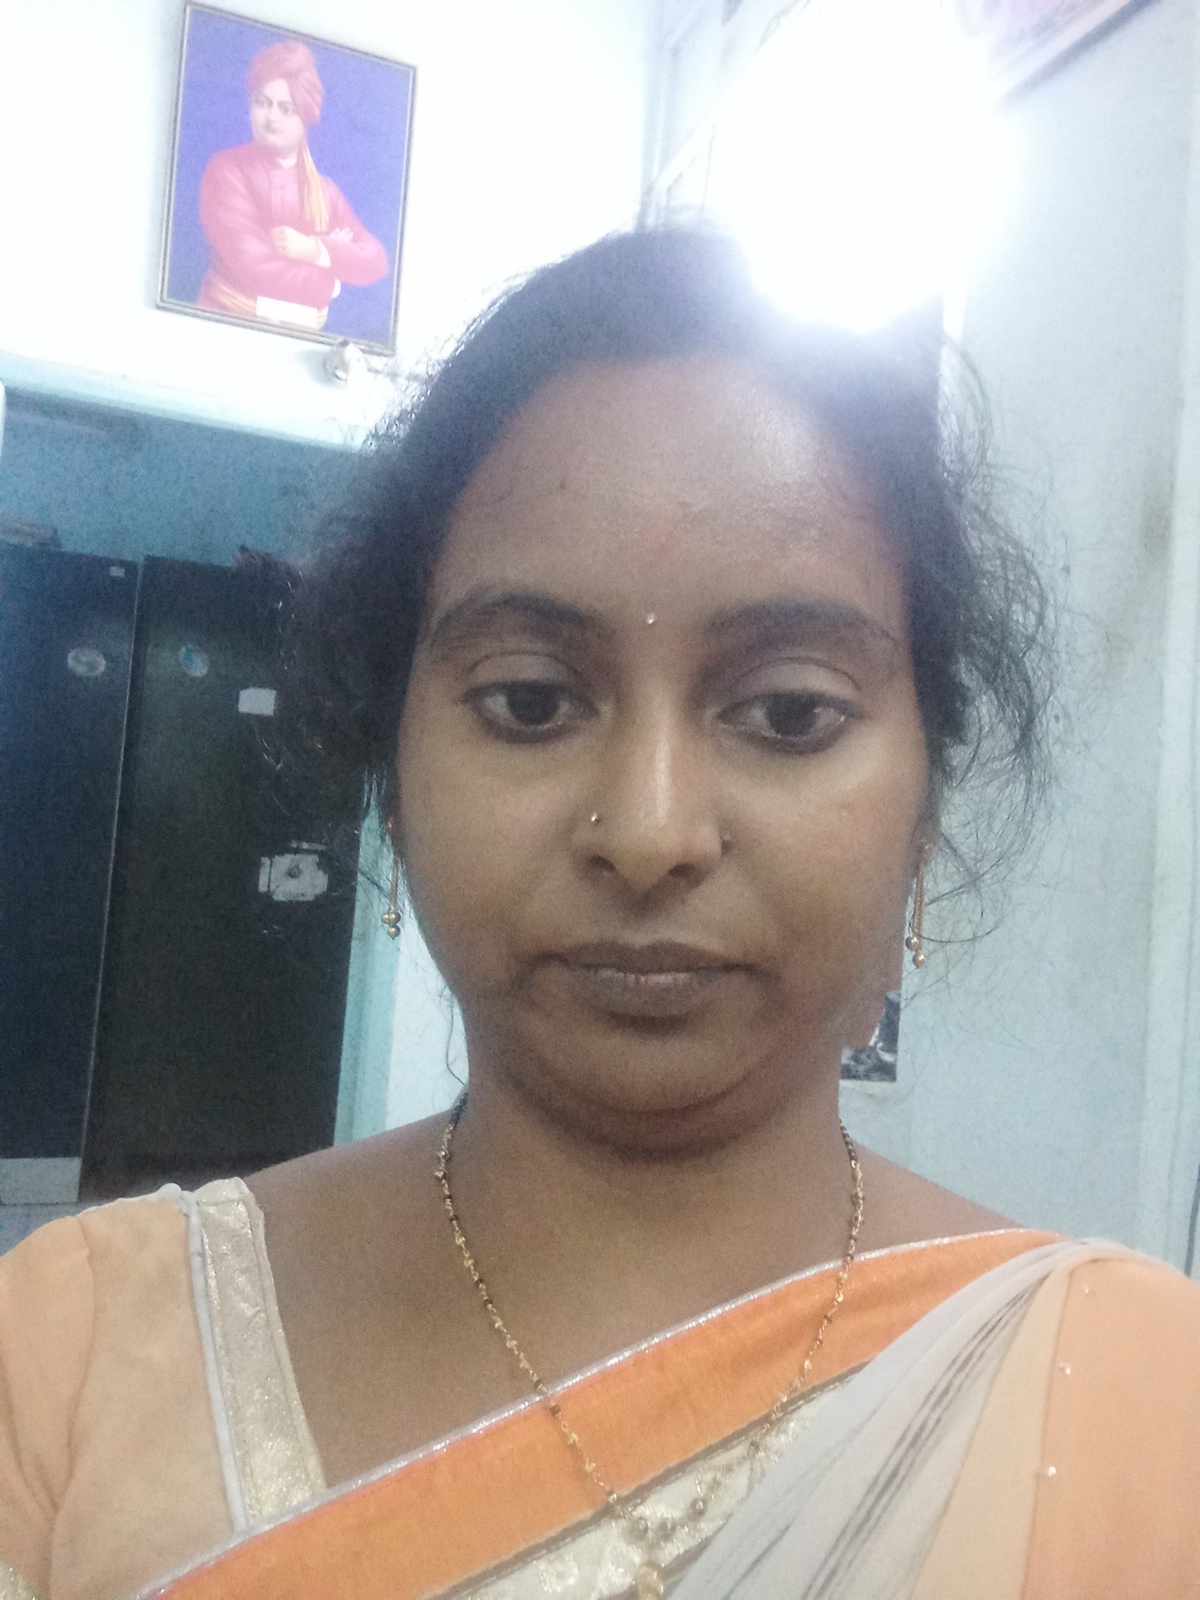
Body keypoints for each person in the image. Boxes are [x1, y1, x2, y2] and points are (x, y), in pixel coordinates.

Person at [1, 229, 1197, 1600]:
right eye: (530, 702)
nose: (648, 831)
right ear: (392, 767)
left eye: (789, 713)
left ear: (925, 800)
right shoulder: (80, 1355)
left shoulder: (1142, 1408)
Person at [196, 39, 388, 334]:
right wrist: (332, 282)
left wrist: (314, 249)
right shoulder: (226, 171)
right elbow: (256, 270)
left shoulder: (324, 192)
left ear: (306, 116)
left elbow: (374, 260)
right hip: (225, 329)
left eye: (286, 109)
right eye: (262, 103)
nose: (271, 117)